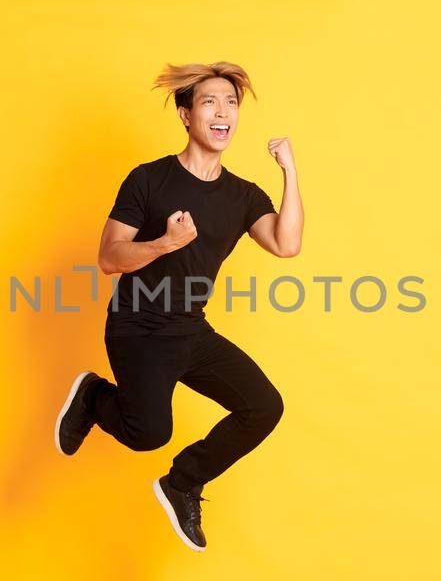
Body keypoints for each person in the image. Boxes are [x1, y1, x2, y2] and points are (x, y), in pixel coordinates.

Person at [53, 61, 304, 552]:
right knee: (148, 435)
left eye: (231, 103)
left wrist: (290, 172)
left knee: (263, 406)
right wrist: (164, 243)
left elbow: (286, 243)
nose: (223, 112)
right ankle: (93, 397)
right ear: (186, 115)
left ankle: (183, 482)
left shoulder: (242, 195)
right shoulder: (149, 180)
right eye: (210, 101)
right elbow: (108, 257)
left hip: (190, 329)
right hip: (137, 325)